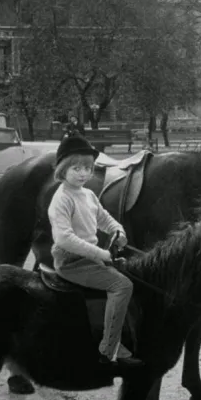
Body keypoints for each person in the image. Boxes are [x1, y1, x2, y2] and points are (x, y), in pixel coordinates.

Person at [47, 135, 141, 370]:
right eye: (76, 168)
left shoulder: (87, 194)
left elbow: (104, 219)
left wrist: (118, 231)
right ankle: (109, 349)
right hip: (71, 261)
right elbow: (64, 238)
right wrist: (100, 254)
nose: (82, 173)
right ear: (63, 169)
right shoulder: (61, 199)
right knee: (122, 286)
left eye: (87, 169)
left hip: (88, 257)